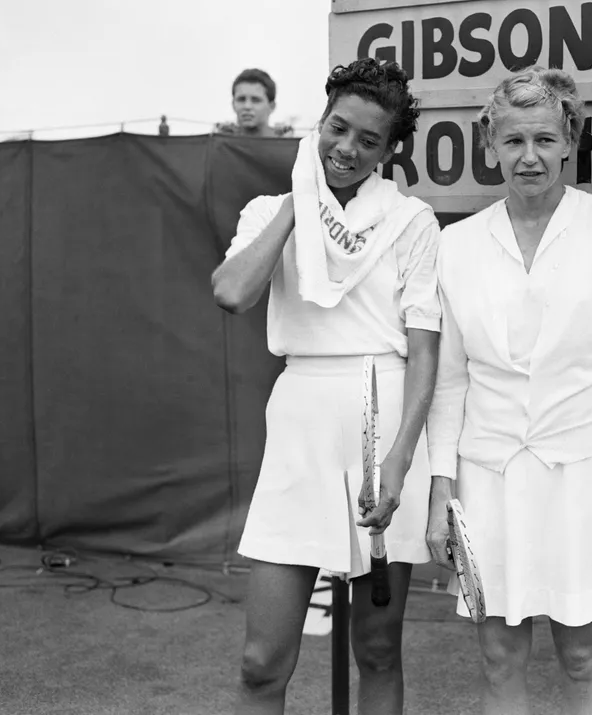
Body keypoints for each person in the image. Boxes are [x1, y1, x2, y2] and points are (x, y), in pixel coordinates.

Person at [425, 66, 592, 715]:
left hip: (585, 474)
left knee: (581, 659)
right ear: (490, 144)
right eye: (513, 140)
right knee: (498, 659)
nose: (529, 156)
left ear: (569, 140)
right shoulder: (455, 243)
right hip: (488, 476)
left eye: (544, 139)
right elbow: (451, 379)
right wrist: (441, 490)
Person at [211, 58, 441, 715]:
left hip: (384, 416)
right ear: (320, 121)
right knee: (261, 662)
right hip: (301, 423)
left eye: (369, 141)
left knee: (377, 650)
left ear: (390, 150)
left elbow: (425, 354)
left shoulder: (411, 220)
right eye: (337, 129)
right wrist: (300, 203)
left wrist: (398, 463)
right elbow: (231, 291)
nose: (347, 148)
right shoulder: (269, 209)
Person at [225, 68, 278, 137]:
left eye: (256, 100)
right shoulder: (216, 145)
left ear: (272, 106)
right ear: (233, 104)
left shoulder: (288, 145)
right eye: (241, 99)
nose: (247, 106)